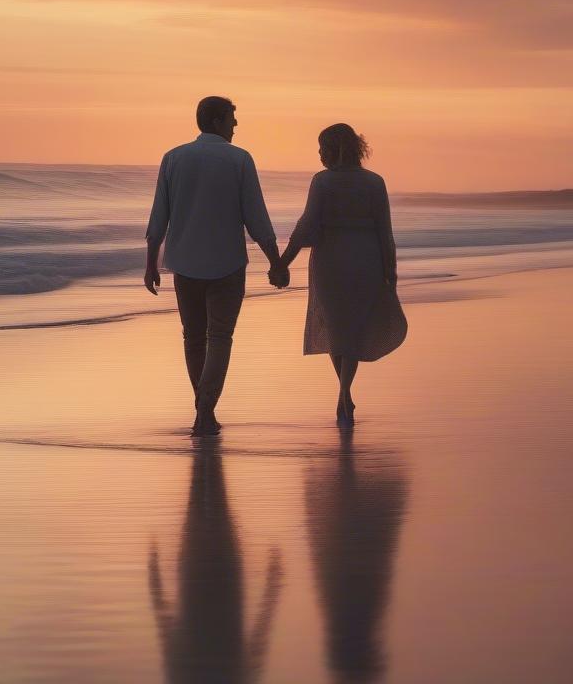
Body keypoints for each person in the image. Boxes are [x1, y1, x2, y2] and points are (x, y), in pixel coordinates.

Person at [145, 96, 289, 436]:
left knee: (194, 338)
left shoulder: (174, 158)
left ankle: (203, 407)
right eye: (231, 119)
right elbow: (256, 217)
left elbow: (158, 217)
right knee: (220, 337)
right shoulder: (239, 160)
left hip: (185, 263)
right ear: (216, 122)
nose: (236, 125)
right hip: (226, 264)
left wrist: (151, 263)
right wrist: (275, 262)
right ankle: (205, 407)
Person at [278, 124, 406, 428]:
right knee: (352, 329)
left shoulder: (322, 183)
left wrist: (282, 262)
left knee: (337, 328)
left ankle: (344, 391)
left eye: (323, 148)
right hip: (366, 259)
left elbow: (305, 226)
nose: (320, 154)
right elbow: (385, 232)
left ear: (335, 150)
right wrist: (391, 272)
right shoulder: (375, 183)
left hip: (331, 261)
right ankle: (345, 391)